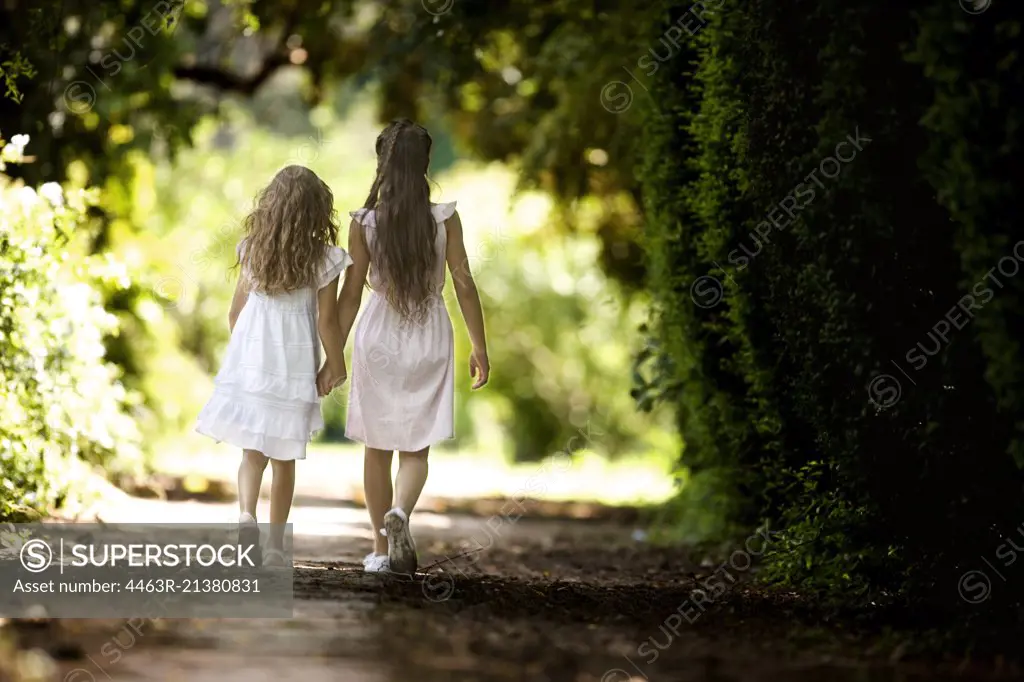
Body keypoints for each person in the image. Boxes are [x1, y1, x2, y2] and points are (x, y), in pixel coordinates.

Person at [328, 119, 489, 574]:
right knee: (417, 447)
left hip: (378, 334)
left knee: (376, 448)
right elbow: (464, 286)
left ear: (381, 164)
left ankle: (381, 548)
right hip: (430, 334)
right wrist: (479, 346)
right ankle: (401, 510)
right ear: (425, 164)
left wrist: (333, 353)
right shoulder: (445, 219)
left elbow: (351, 293)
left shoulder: (365, 224)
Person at [196, 165, 352, 567]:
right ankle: (276, 547)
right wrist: (335, 366)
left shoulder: (252, 249)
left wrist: (244, 359)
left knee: (252, 453)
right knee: (283, 460)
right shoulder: (325, 259)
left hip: (253, 357)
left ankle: (246, 515)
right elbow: (327, 321)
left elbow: (235, 313)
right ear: (319, 210)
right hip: (294, 362)